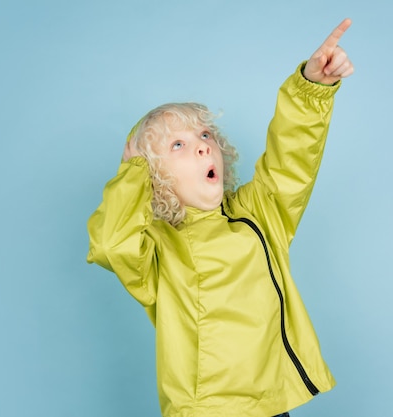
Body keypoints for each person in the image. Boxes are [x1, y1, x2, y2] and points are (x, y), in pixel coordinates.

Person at [87, 18, 354, 417]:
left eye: (205, 136)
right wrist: (133, 176)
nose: (201, 148)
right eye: (178, 144)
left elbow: (291, 163)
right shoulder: (158, 248)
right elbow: (110, 244)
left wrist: (311, 88)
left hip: (272, 403)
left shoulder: (258, 214)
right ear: (154, 176)